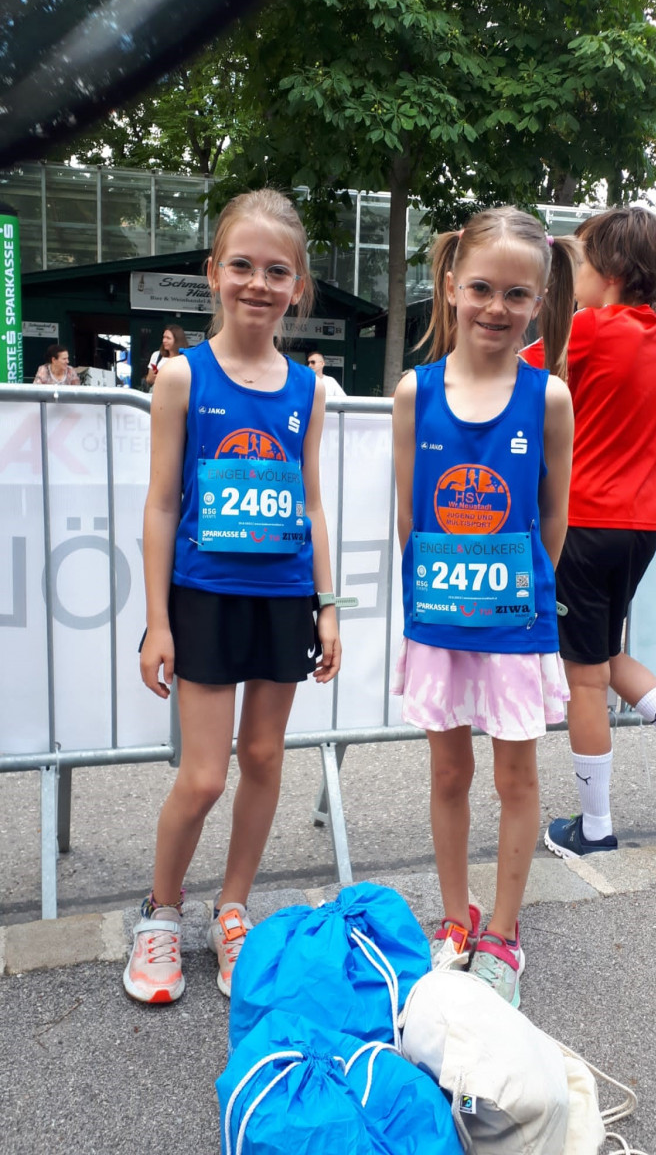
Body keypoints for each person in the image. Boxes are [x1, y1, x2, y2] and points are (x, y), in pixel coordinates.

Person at [124, 189, 341, 1005]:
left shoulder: (310, 390)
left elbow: (312, 503)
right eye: (242, 265)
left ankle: (233, 909)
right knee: (204, 776)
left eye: (276, 271)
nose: (258, 282)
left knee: (263, 759)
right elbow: (161, 505)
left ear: (298, 287)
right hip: (205, 598)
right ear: (214, 272)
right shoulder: (182, 376)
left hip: (283, 598)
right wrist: (156, 622)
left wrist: (327, 605)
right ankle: (160, 911)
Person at [392, 207, 578, 1007]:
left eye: (516, 294)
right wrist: (440, 590)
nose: (496, 308)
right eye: (480, 288)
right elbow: (408, 515)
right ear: (449, 286)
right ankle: (453, 918)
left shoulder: (549, 398)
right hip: (439, 619)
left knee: (514, 774)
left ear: (538, 301)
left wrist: (521, 594)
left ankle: (502, 931)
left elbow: (554, 514)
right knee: (447, 770)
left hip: (513, 624)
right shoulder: (414, 391)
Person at [523, 208, 656, 859]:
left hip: (583, 524)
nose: (571, 275)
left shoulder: (586, 330)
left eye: (579, 262)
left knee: (583, 675)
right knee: (605, 658)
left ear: (609, 270)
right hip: (640, 527)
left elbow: (503, 369)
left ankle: (593, 829)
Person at [143, 323, 187, 390]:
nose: (164, 341)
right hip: (157, 392)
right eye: (164, 337)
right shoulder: (157, 355)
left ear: (177, 340)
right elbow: (149, 380)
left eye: (168, 338)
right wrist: (154, 377)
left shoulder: (185, 358)